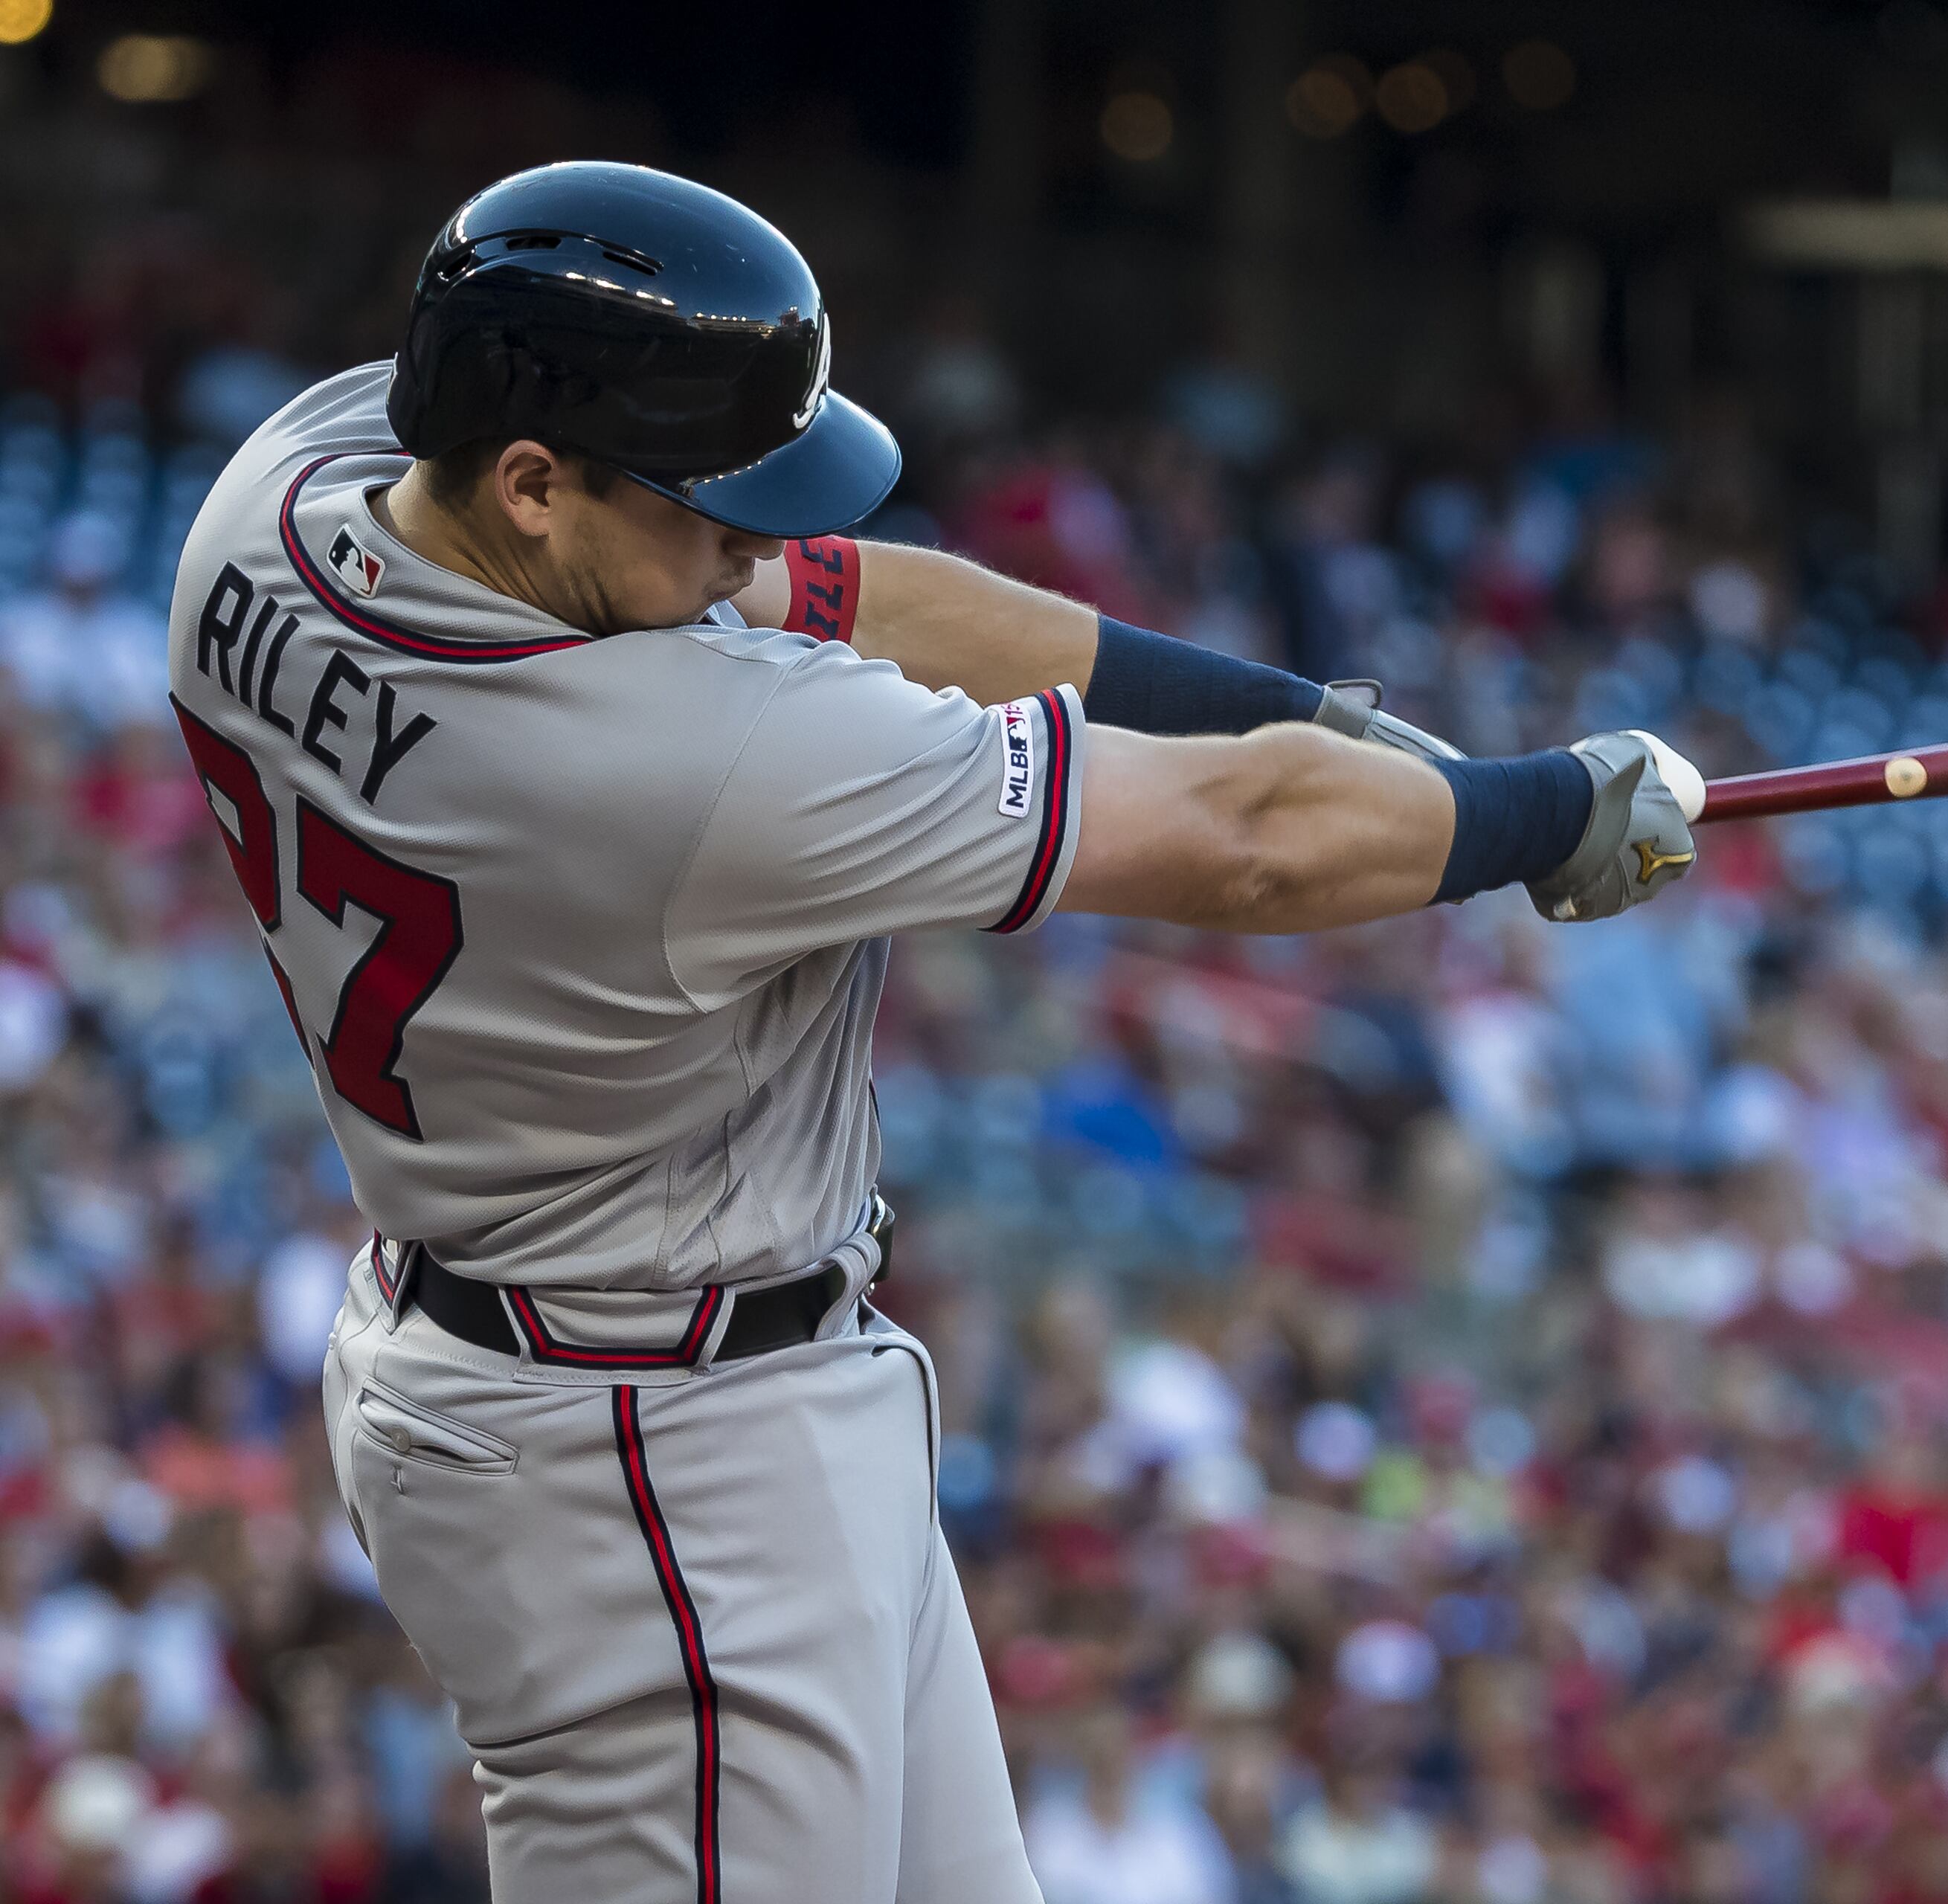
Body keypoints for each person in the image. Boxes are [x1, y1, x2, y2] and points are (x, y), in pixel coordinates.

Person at [164, 161, 1701, 1904]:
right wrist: (1540, 813)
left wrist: (1322, 720)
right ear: (532, 481)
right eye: (711, 505)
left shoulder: (280, 499)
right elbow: (1251, 842)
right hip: (652, 1463)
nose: (755, 546)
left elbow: (871, 598)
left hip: (619, 1369)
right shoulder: (688, 758)